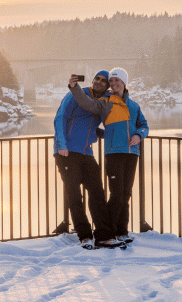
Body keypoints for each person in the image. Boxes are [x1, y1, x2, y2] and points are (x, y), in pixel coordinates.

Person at [68, 67, 149, 244]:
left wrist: (138, 135)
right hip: (113, 153)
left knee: (126, 195)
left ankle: (121, 231)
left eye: (117, 80)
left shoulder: (134, 106)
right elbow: (87, 104)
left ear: (124, 82)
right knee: (116, 195)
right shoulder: (105, 101)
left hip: (132, 153)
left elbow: (144, 125)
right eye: (111, 81)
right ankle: (107, 234)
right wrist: (74, 88)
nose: (113, 83)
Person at [53, 70, 122, 249]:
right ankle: (84, 236)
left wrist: (109, 135)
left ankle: (104, 236)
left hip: (86, 153)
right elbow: (60, 118)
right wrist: (62, 145)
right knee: (74, 194)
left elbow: (90, 127)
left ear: (107, 85)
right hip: (67, 151)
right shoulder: (77, 94)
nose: (99, 82)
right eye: (97, 78)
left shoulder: (101, 102)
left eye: (103, 80)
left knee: (97, 193)